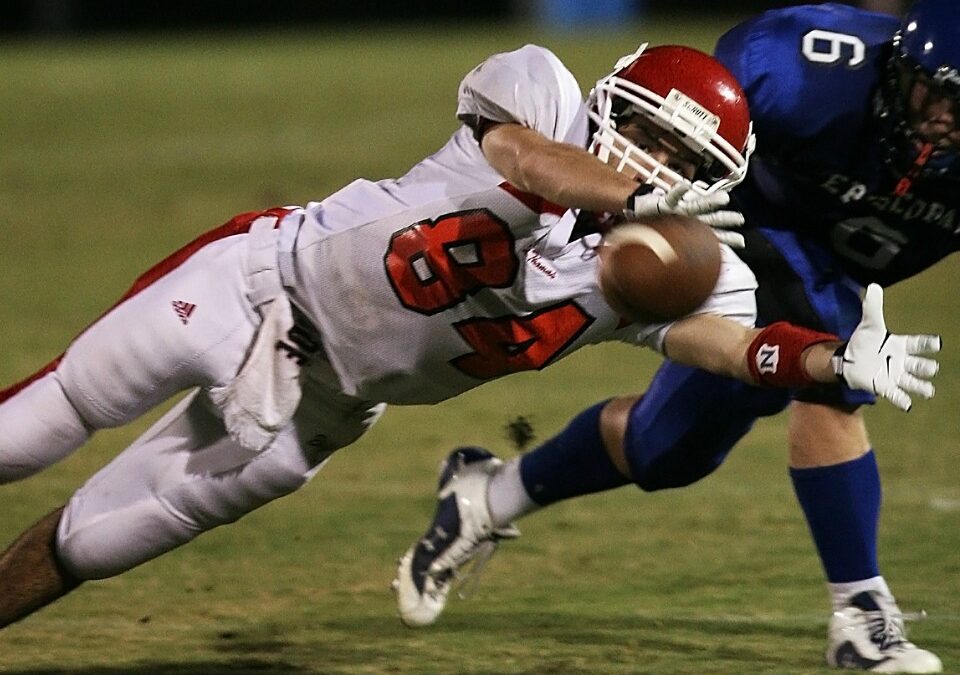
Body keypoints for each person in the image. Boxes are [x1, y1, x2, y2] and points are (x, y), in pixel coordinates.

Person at [0, 41, 939, 640]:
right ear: (611, 108)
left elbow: (730, 347)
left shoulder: (686, 264)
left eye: (690, 166)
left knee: (93, 545)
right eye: (651, 139)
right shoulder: (541, 92)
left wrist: (825, 360)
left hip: (319, 407)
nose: (661, 170)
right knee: (24, 436)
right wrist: (632, 199)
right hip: (254, 289)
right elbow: (523, 158)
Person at [394, 1, 955, 672]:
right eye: (936, 92)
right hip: (732, 224)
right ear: (900, 69)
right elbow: (692, 119)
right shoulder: (804, 65)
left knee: (670, 450)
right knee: (833, 372)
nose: (942, 118)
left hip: (843, 267)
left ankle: (487, 494)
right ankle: (862, 614)